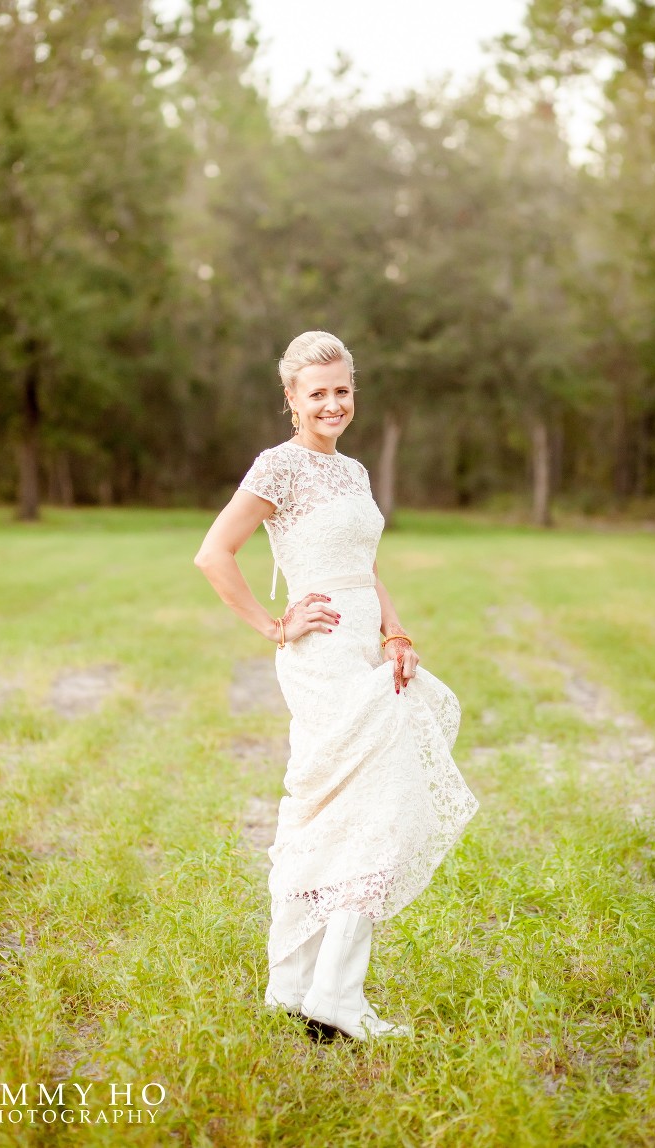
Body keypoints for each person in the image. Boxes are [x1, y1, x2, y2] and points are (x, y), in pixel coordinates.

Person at [194, 331, 478, 1041]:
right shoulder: (278, 467)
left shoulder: (353, 472)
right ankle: (332, 996)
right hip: (319, 655)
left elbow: (364, 566)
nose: (332, 403)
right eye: (316, 392)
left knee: (359, 806)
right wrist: (274, 625)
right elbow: (214, 552)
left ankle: (298, 988)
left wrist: (395, 632)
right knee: (363, 805)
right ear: (291, 399)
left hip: (366, 651)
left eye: (342, 390)